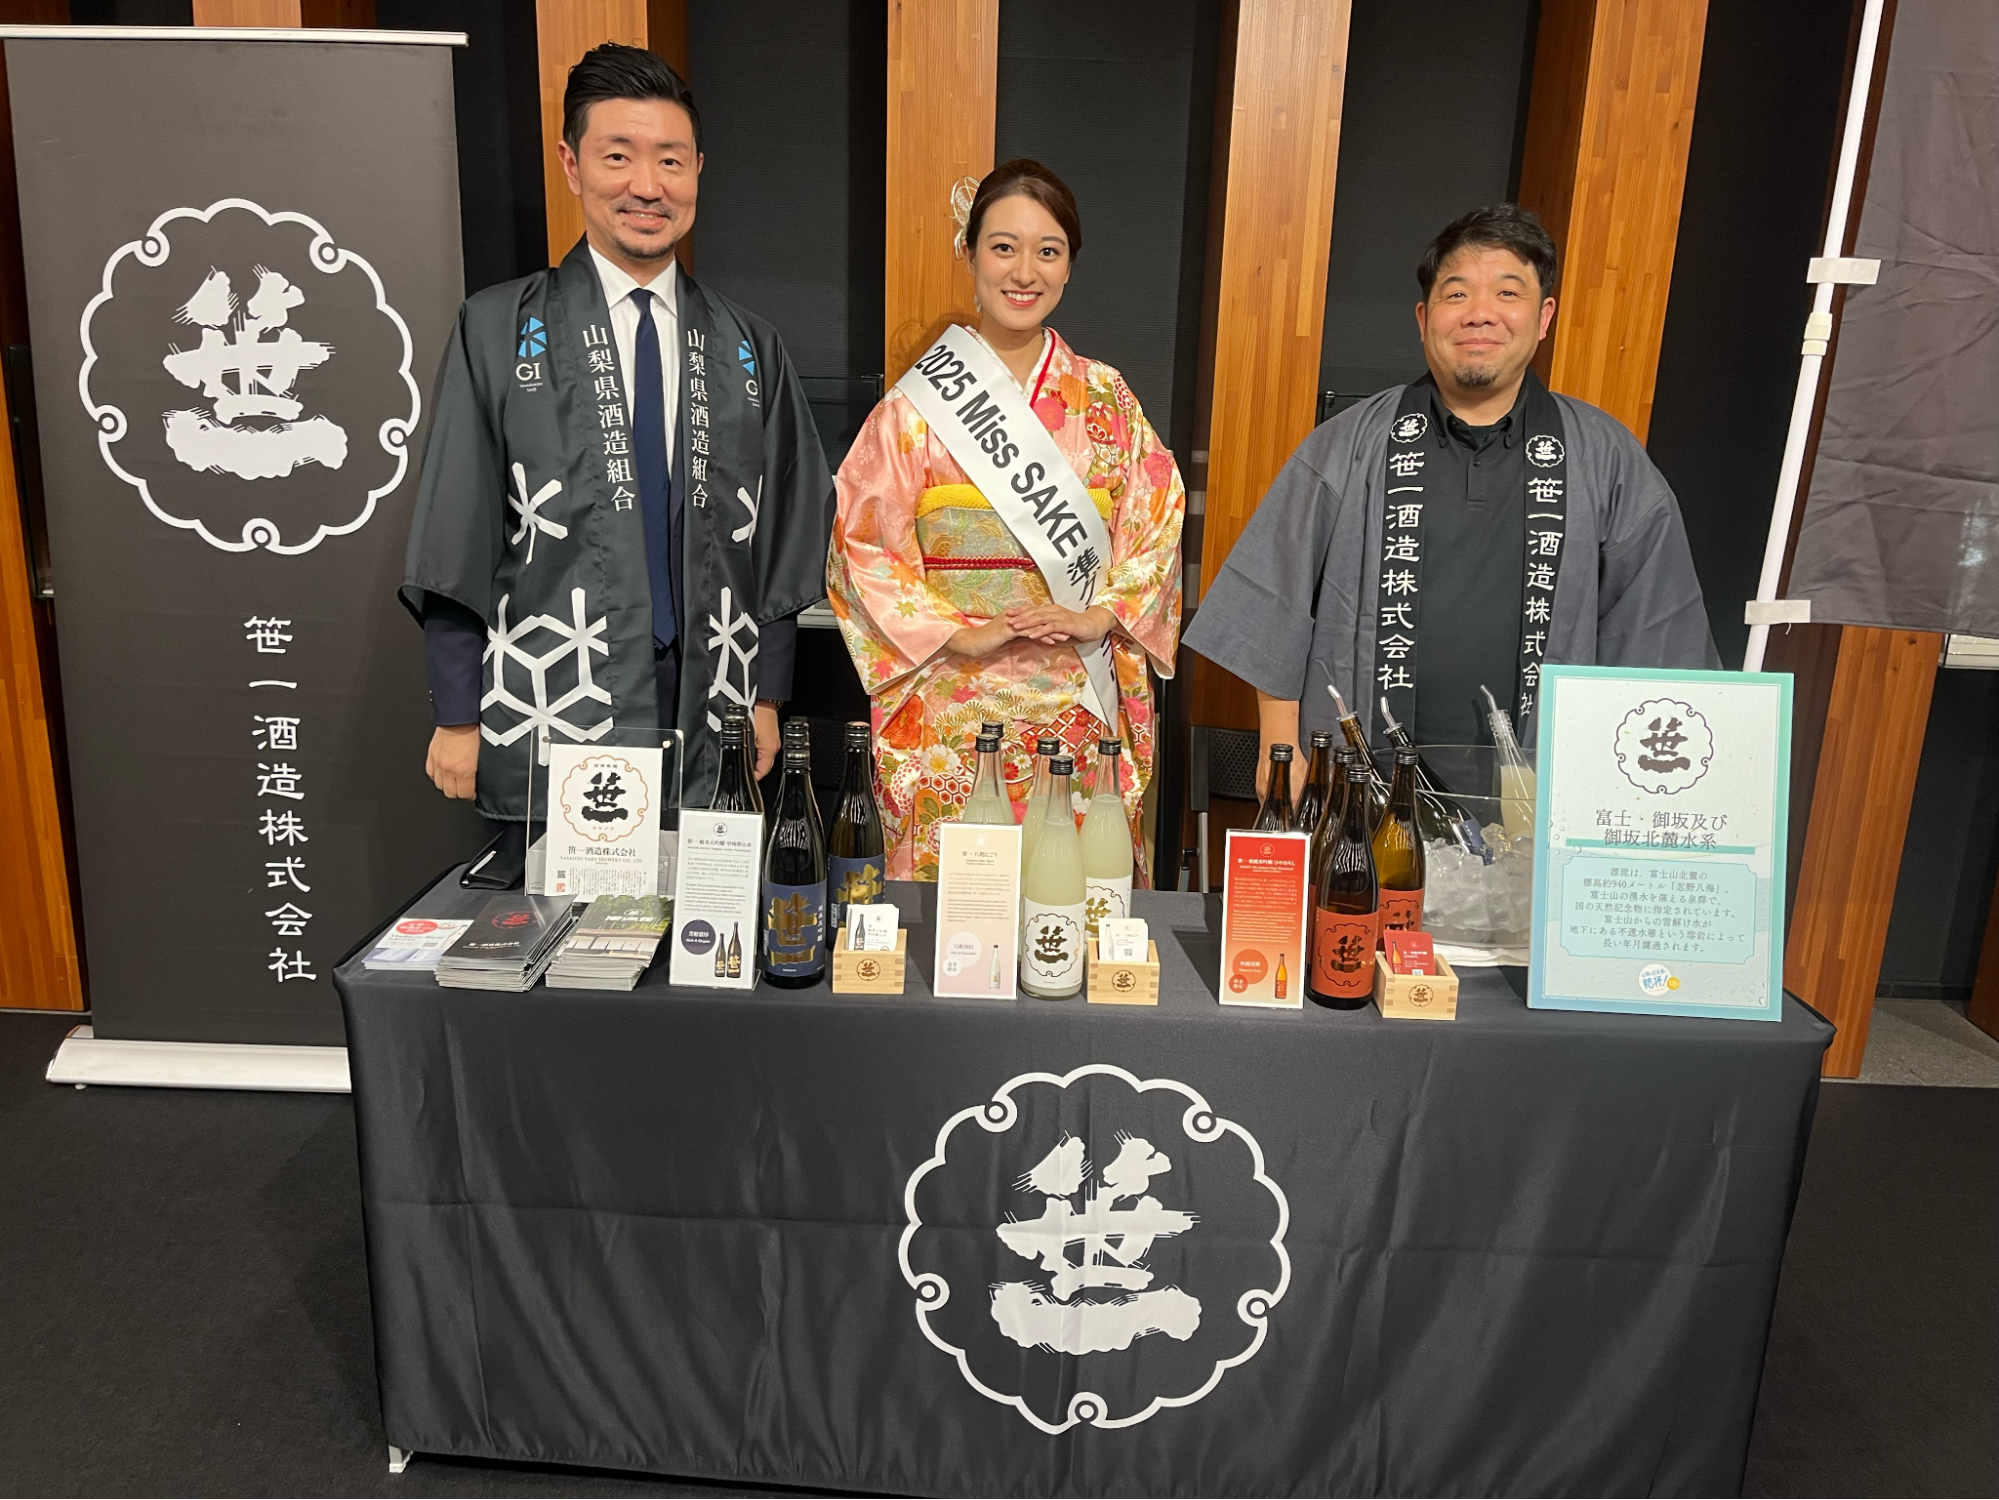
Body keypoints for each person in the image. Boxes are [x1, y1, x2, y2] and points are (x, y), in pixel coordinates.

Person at [402, 44, 833, 822]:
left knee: (702, 896)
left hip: (711, 693)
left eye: (670, 160)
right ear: (571, 166)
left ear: (698, 170)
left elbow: (784, 534)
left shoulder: (748, 345)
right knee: (569, 897)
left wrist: (767, 695)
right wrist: (457, 711)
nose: (647, 185)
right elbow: (454, 529)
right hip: (559, 689)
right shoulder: (498, 330)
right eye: (617, 156)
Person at [1184, 203, 1718, 784]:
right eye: (1457, 294)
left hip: (1547, 784)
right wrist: (1279, 746)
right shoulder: (1348, 443)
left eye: (1507, 293)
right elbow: (1274, 603)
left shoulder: (1605, 457)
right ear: (1423, 318)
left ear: (1544, 317)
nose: (1480, 314)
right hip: (1362, 784)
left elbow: (1657, 633)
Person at [827, 160, 1184, 880]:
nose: (1024, 272)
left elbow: (1157, 521)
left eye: (1048, 251)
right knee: (955, 902)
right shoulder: (914, 408)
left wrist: (1099, 614)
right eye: (1002, 247)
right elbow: (861, 542)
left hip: (1077, 694)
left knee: (1070, 891)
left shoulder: (1107, 400)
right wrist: (958, 631)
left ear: (1070, 265)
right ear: (969, 254)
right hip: (952, 696)